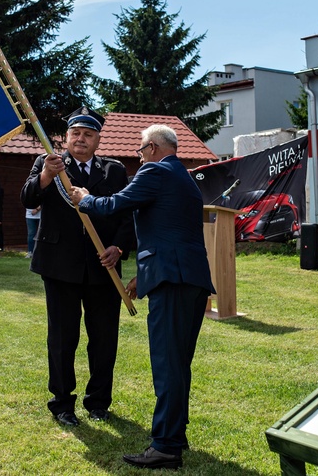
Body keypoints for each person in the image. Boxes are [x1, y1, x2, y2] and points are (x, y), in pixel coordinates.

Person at [70, 124, 213, 470]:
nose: (138, 156)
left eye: (139, 150)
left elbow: (115, 204)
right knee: (178, 363)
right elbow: (169, 233)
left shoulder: (156, 170)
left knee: (168, 364)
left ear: (152, 148)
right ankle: (175, 435)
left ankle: (165, 445)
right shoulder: (183, 177)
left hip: (174, 282)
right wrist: (144, 275)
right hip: (187, 278)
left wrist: (84, 199)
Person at [20, 106, 134, 428]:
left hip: (103, 266)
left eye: (88, 134)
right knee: (62, 337)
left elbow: (127, 216)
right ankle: (61, 403)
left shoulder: (113, 171)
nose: (80, 139)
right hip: (60, 267)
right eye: (75, 133)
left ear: (98, 139)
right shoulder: (49, 164)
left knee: (103, 338)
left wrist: (120, 247)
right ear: (66, 137)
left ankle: (98, 402)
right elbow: (28, 199)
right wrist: (45, 176)